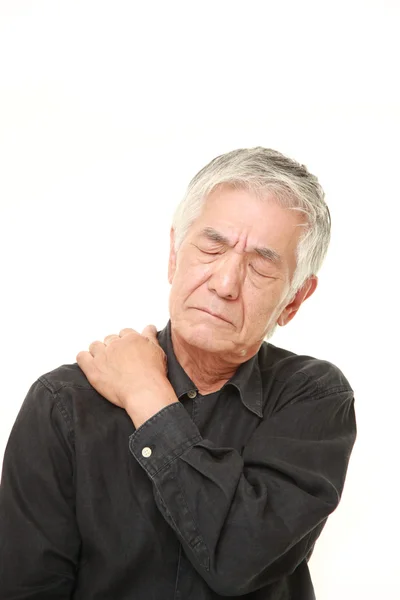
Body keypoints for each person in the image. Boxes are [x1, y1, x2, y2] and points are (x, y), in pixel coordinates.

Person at [0, 147, 357, 600]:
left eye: (261, 266)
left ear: (294, 299)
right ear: (174, 254)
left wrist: (147, 396)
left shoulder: (314, 398)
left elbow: (238, 560)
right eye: (211, 246)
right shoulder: (63, 403)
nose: (225, 284)